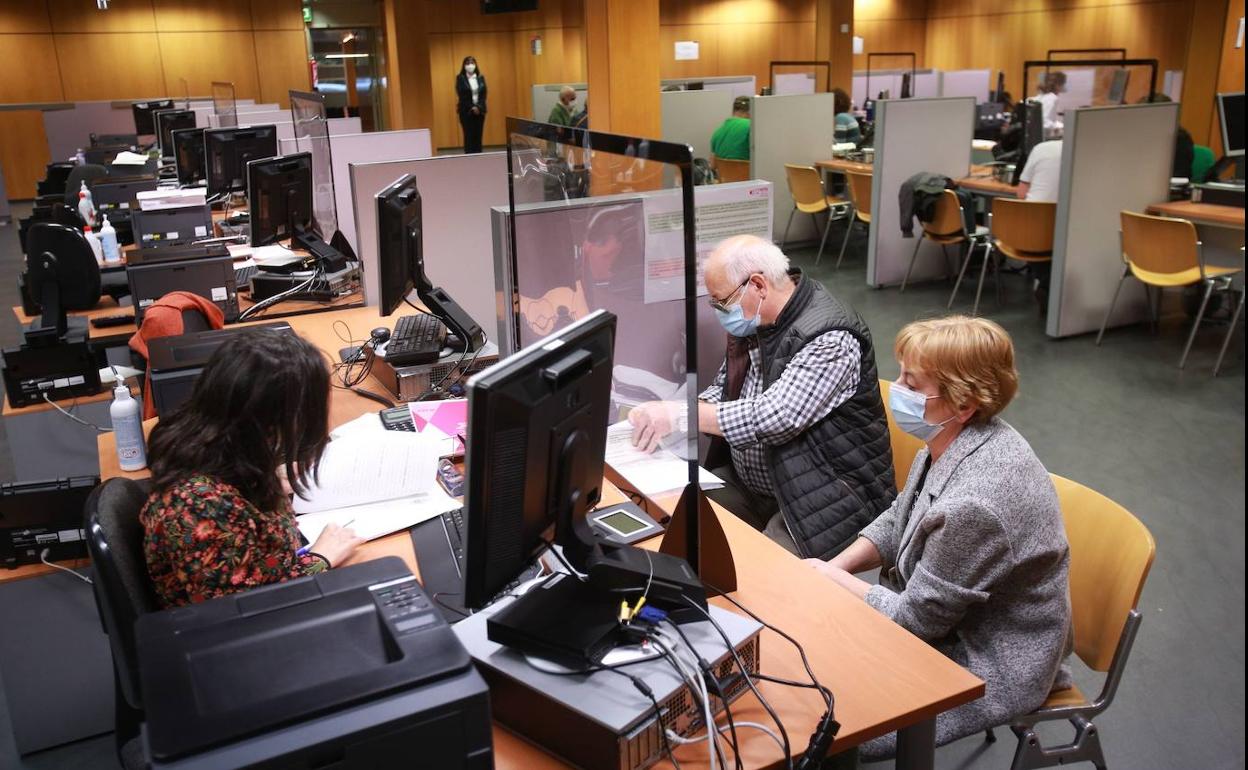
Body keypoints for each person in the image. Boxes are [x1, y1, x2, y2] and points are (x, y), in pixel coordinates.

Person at [806, 315, 1072, 761]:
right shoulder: (955, 437)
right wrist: (834, 568)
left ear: (963, 402)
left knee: (824, 725)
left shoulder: (977, 504)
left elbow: (915, 624)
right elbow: (900, 516)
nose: (898, 390)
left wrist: (836, 584)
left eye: (912, 383)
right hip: (951, 620)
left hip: (990, 657)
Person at [628, 235, 896, 558]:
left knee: (759, 576)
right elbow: (725, 391)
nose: (717, 311)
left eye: (720, 302)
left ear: (757, 285)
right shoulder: (756, 323)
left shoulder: (831, 337)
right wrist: (670, 416)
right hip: (759, 485)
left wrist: (681, 415)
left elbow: (774, 418)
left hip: (825, 499)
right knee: (676, 519)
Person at [140, 328, 363, 609]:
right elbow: (244, 610)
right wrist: (320, 558)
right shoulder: (200, 506)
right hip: (234, 636)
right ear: (268, 421)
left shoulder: (211, 443)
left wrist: (267, 480)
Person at [1016, 138, 1063, 308]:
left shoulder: (1041, 148)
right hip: (1058, 235)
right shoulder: (1084, 153)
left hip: (1026, 233)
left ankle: (1046, 285)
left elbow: (1021, 193)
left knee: (1044, 241)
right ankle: (1048, 287)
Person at [455, 56, 487, 153]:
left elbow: (484, 95)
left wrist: (478, 107)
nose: (470, 65)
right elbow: (461, 95)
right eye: (468, 63)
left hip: (480, 112)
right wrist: (472, 107)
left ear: (476, 65)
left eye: (472, 63)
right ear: (464, 66)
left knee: (478, 135)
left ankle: (479, 157)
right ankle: (469, 158)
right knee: (469, 136)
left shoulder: (481, 78)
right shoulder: (460, 78)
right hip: (466, 112)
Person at [709, 96, 752, 161]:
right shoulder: (751, 126)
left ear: (733, 111)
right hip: (746, 170)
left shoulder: (718, 132)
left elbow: (712, 165)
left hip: (723, 171)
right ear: (750, 111)